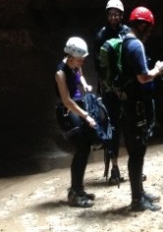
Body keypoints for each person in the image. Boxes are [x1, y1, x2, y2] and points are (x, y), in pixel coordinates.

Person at [121, 6, 163, 212]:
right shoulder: (135, 45)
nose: (149, 32)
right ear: (141, 25)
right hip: (134, 107)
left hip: (128, 105)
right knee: (137, 152)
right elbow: (143, 77)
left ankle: (139, 192)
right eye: (149, 28)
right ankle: (137, 199)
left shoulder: (124, 40)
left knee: (137, 151)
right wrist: (157, 70)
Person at [55, 36, 98, 207]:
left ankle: (78, 189)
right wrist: (86, 116)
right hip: (67, 111)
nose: (82, 62)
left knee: (85, 148)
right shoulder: (60, 73)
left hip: (77, 105)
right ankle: (74, 193)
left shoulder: (75, 64)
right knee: (81, 148)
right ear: (71, 57)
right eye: (80, 59)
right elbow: (66, 101)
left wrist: (85, 85)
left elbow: (79, 74)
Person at [93, 0, 130, 185]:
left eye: (116, 14)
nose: (113, 17)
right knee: (113, 128)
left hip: (126, 86)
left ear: (121, 15)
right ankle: (114, 168)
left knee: (131, 127)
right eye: (110, 14)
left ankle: (134, 168)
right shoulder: (101, 35)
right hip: (109, 90)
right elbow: (99, 66)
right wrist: (111, 88)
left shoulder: (127, 33)